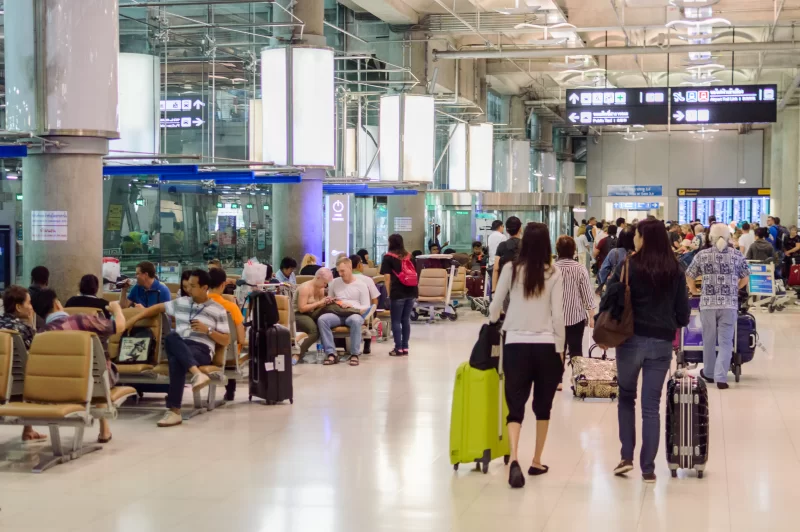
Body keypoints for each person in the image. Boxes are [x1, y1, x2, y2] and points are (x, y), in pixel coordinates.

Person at [603, 220, 690, 483]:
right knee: (651, 406)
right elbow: (684, 315)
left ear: (645, 239)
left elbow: (610, 296)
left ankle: (626, 457)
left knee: (626, 398)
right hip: (661, 344)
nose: (635, 240)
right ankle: (648, 469)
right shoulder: (675, 268)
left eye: (637, 235)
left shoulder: (628, 264)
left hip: (629, 340)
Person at [489, 222, 565, 489]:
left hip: (515, 344)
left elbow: (496, 305)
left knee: (515, 404)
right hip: (546, 346)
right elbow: (558, 317)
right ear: (546, 244)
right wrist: (560, 350)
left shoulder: (510, 270)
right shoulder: (553, 273)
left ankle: (513, 461)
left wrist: (492, 319)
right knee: (543, 407)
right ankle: (536, 460)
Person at [125, 269, 230, 427]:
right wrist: (133, 319)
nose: (188, 289)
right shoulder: (181, 302)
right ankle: (196, 374)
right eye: (188, 286)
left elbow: (226, 340)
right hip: (181, 344)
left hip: (201, 349)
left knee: (176, 356)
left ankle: (174, 411)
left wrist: (207, 330)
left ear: (204, 287)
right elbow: (157, 308)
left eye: (193, 286)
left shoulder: (218, 309)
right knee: (172, 337)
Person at [33, 289, 127, 443]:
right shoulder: (81, 321)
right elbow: (120, 326)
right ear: (57, 304)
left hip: (55, 389)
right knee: (98, 369)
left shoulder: (40, 334)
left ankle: (105, 428)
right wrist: (117, 309)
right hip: (95, 383)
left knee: (94, 369)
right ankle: (104, 428)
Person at [686, 224, 750, 390]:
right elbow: (746, 277)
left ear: (710, 238)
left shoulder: (703, 255)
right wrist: (735, 287)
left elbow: (689, 274)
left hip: (708, 304)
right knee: (726, 342)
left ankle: (708, 372)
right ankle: (721, 377)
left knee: (708, 339)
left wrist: (694, 290)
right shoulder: (737, 255)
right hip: (729, 305)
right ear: (728, 237)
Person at [0, 286, 46, 443]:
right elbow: (36, 358)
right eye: (29, 303)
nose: (31, 307)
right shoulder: (23, 329)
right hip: (19, 385)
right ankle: (28, 430)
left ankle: (29, 430)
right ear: (19, 307)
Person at [319, 256, 372, 367]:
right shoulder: (334, 282)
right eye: (338, 271)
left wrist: (351, 305)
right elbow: (330, 299)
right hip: (337, 313)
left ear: (350, 268)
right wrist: (332, 301)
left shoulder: (361, 285)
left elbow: (366, 306)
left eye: (342, 271)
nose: (340, 273)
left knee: (356, 321)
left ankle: (354, 353)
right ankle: (331, 353)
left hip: (353, 313)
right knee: (322, 319)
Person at [207, 268, 245, 401]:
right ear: (223, 284)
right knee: (233, 346)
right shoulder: (231, 307)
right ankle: (230, 390)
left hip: (204, 351)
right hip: (228, 354)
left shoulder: (196, 304)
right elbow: (240, 338)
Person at [555, 236, 595, 361]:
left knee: (557, 352)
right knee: (576, 351)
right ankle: (577, 378)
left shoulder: (551, 269)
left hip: (555, 319)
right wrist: (592, 316)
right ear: (574, 250)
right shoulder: (580, 269)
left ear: (557, 250)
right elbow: (587, 295)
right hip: (576, 318)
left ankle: (558, 379)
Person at [381, 234, 419, 357]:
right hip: (411, 291)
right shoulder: (409, 256)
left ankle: (398, 348)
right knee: (406, 320)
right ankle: (405, 347)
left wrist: (388, 293)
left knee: (396, 321)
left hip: (397, 292)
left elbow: (387, 278)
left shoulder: (388, 257)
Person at [295, 268, 334, 364]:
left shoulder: (320, 288)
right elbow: (302, 308)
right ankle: (297, 354)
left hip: (311, 312)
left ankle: (347, 311)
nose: (325, 286)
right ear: (318, 278)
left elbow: (320, 305)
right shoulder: (305, 288)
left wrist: (326, 301)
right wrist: (320, 302)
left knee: (329, 311)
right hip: (298, 314)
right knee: (314, 331)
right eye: (324, 283)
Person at [492, 216, 523, 295]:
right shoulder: (527, 245)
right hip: (523, 286)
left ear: (507, 230)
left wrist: (494, 290)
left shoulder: (502, 245)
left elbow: (496, 268)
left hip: (506, 287)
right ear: (520, 229)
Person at [486, 220, 507, 294]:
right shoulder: (502, 236)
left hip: (491, 263)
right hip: (500, 264)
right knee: (500, 287)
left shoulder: (490, 237)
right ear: (500, 226)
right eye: (503, 226)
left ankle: (492, 303)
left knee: (493, 286)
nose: (503, 228)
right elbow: (505, 251)